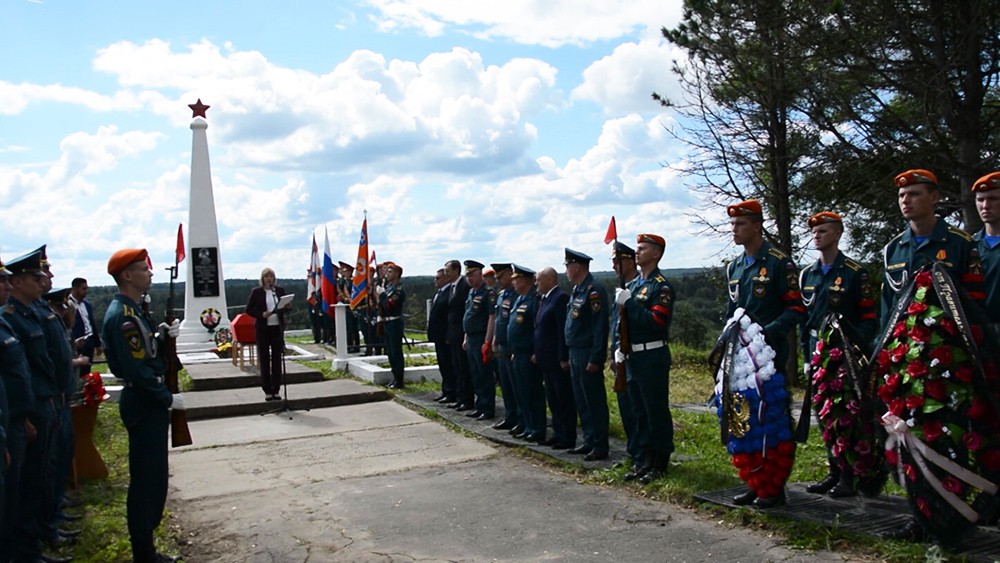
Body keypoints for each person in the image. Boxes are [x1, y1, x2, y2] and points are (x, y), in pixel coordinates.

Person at [722, 199, 805, 509]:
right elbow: (732, 310)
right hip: (740, 359)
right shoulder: (734, 267)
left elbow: (796, 308)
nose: (734, 229)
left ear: (757, 226)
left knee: (771, 420)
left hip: (768, 359)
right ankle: (755, 481)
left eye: (740, 224)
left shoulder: (779, 263)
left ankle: (774, 486)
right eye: (732, 225)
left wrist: (765, 333)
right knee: (745, 420)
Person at [102, 248, 182, 563]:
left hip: (146, 400)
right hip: (144, 400)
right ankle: (144, 555)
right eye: (143, 269)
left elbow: (146, 354)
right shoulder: (123, 316)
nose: (149, 273)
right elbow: (136, 369)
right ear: (127, 275)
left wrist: (162, 338)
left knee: (154, 478)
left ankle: (147, 549)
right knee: (146, 481)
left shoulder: (133, 311)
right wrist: (167, 398)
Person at [798, 212, 877, 498]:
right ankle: (834, 470)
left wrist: (856, 350)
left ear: (838, 234)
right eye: (814, 231)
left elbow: (869, 317)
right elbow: (805, 320)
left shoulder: (855, 272)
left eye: (823, 231)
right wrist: (806, 357)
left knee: (847, 416)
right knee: (824, 414)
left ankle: (851, 474)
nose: (816, 235)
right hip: (819, 355)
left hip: (845, 354)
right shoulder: (807, 274)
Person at [2, 247, 72, 563]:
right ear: (17, 282)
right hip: (29, 410)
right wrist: (25, 414)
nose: (42, 280)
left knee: (44, 472)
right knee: (28, 483)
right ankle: (28, 548)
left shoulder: (32, 312)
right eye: (35, 276)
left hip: (47, 401)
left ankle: (39, 534)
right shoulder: (12, 318)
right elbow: (20, 373)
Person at [880, 169, 983, 327]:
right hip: (901, 345)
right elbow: (887, 306)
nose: (905, 200)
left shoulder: (961, 243)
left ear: (934, 197)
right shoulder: (893, 249)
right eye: (901, 195)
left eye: (914, 194)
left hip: (950, 344)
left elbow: (976, 304)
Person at [614, 235, 675, 483]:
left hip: (652, 355)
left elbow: (655, 322)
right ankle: (644, 460)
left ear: (656, 254)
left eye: (642, 248)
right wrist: (620, 347)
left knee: (655, 411)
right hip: (633, 357)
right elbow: (624, 323)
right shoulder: (636, 285)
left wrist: (630, 304)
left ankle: (660, 462)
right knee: (638, 411)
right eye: (637, 248)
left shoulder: (662, 287)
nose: (637, 252)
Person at [0, 256, 39, 561]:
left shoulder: (5, 322)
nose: (6, 285)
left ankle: (25, 547)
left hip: (18, 419)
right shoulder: (11, 318)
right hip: (9, 423)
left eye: (6, 279)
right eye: (2, 281)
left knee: (21, 489)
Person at [563, 249, 610, 461]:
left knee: (594, 401)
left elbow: (599, 328)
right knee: (581, 400)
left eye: (567, 265)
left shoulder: (593, 290)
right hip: (574, 351)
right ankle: (589, 440)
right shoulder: (577, 290)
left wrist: (596, 358)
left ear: (577, 266)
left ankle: (600, 445)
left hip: (586, 352)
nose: (566, 270)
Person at [608, 242, 641, 472]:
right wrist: (613, 353)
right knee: (626, 408)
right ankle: (633, 452)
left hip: (637, 356)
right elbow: (616, 326)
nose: (613, 266)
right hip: (621, 357)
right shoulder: (620, 289)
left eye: (617, 261)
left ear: (629, 261)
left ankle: (642, 455)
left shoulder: (639, 287)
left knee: (638, 409)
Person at [534, 266, 574, 448]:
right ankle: (558, 432)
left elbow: (561, 331)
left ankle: (567, 436)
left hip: (557, 360)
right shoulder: (545, 299)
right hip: (546, 360)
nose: (536, 283)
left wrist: (563, 356)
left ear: (550, 280)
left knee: (563, 399)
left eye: (539, 280)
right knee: (553, 400)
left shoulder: (559, 298)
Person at [508, 265, 545, 441]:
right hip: (518, 352)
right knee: (522, 392)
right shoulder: (519, 299)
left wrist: (536, 351)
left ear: (525, 280)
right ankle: (528, 425)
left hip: (529, 353)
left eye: (516, 279)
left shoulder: (534, 300)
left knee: (533, 393)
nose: (513, 282)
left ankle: (537, 428)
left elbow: (537, 329)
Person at [245, 268, 292, 401]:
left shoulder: (279, 291)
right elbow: (248, 309)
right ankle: (267, 390)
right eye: (266, 276)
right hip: (262, 329)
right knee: (264, 359)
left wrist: (288, 307)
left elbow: (284, 307)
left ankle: (276, 389)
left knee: (277, 359)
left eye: (271, 276)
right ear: (262, 279)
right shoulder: (257, 292)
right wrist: (261, 314)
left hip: (277, 328)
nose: (269, 279)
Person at [462, 260, 497, 421]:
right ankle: (480, 405)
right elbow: (467, 316)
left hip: (481, 337)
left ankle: (488, 407)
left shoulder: (487, 293)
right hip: (470, 338)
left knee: (484, 375)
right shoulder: (471, 293)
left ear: (479, 274)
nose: (469, 278)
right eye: (467, 275)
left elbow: (492, 317)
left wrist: (487, 341)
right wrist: (465, 337)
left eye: (472, 275)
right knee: (475, 374)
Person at [490, 263, 519, 431]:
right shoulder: (501, 295)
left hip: (511, 346)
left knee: (516, 386)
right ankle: (510, 416)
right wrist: (494, 340)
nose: (498, 280)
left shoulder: (517, 294)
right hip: (501, 344)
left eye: (501, 277)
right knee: (506, 385)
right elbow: (499, 320)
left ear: (509, 274)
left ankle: (520, 418)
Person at [444, 260, 474, 411]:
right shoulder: (452, 287)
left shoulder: (464, 286)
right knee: (457, 367)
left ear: (456, 270)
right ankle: (460, 397)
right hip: (453, 334)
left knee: (464, 368)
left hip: (461, 334)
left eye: (448, 271)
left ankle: (467, 399)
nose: (446, 274)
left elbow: (465, 311)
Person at [972, 171, 1000, 322]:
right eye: (980, 200)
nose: (985, 206)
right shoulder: (969, 245)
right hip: (980, 332)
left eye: (993, 199)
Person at [427, 268, 455, 403]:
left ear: (446, 279)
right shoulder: (439, 293)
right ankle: (446, 390)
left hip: (445, 336)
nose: (435, 281)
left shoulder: (449, 293)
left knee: (448, 364)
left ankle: (451, 392)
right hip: (438, 336)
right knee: (442, 365)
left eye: (438, 278)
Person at [378, 262, 406, 389]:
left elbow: (389, 305)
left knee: (396, 352)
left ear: (397, 274)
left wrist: (382, 294)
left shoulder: (398, 289)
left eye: (390, 272)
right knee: (390, 351)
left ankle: (399, 379)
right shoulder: (389, 288)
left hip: (394, 322)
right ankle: (394, 377)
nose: (387, 274)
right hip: (387, 322)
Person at [69, 277, 103, 377]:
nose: (86, 291)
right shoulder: (67, 304)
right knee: (77, 371)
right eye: (83, 289)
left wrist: (97, 343)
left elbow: (92, 323)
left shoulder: (87, 304)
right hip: (77, 342)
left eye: (87, 288)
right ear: (75, 288)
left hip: (89, 340)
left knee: (87, 369)